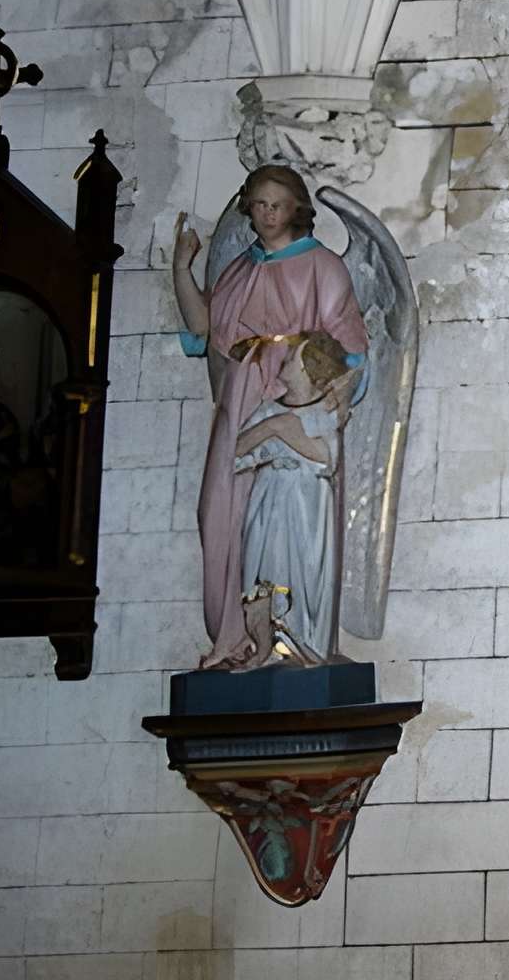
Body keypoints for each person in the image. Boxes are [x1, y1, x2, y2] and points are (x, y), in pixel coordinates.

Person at [173, 166, 368, 661]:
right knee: (220, 510)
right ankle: (235, 635)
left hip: (294, 397)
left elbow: (350, 348)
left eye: (277, 204)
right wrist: (181, 268)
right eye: (258, 204)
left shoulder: (323, 266)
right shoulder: (240, 269)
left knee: (289, 523)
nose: (267, 213)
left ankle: (289, 639)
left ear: (297, 209)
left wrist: (340, 391)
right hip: (240, 400)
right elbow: (205, 330)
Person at [204, 334, 353, 670]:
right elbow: (237, 453)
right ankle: (265, 644)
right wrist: (275, 428)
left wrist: (280, 431)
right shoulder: (270, 411)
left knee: (303, 572)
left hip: (307, 505)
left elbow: (326, 458)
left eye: (290, 361)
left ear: (310, 369)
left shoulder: (324, 412)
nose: (282, 366)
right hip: (268, 500)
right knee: (262, 571)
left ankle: (301, 643)